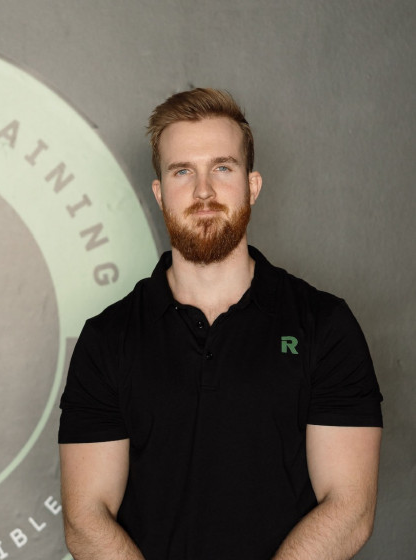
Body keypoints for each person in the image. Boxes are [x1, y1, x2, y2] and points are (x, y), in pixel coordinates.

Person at [58, 88, 383, 560]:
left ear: (252, 185)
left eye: (222, 168)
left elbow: (350, 508)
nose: (203, 191)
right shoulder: (108, 339)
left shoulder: (324, 326)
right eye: (182, 171)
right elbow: (86, 519)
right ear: (160, 193)